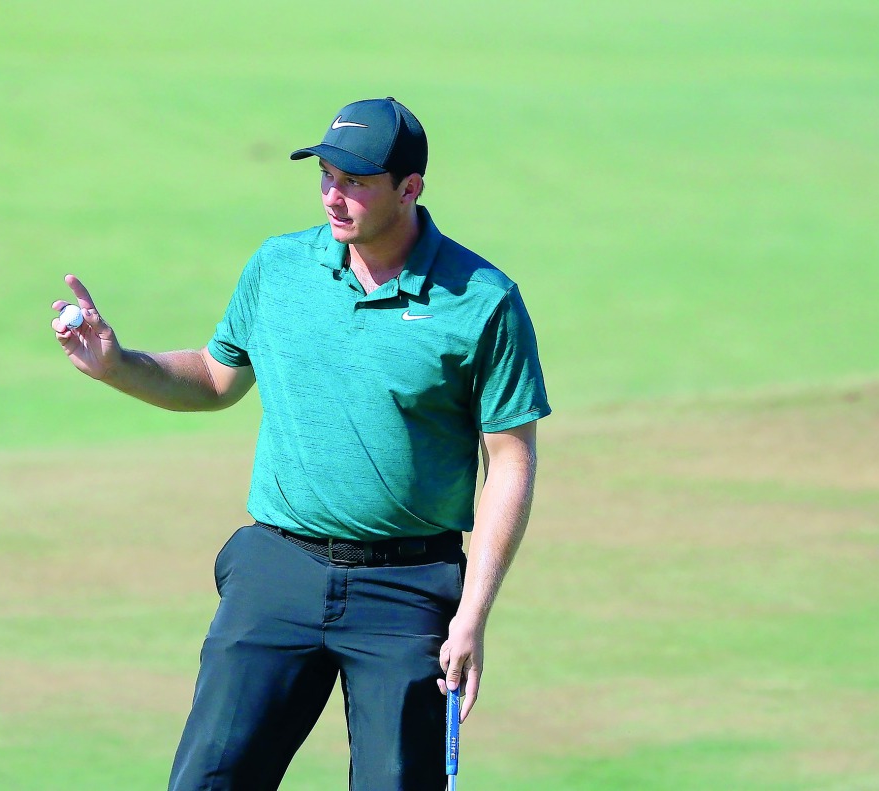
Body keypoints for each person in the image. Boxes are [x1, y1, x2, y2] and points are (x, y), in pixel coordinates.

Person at [51, 97, 550, 791]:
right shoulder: (279, 267)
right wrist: (117, 364)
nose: (333, 196)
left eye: (355, 181)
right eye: (325, 175)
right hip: (276, 572)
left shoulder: (483, 299)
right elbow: (216, 377)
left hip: (408, 590)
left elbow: (511, 460)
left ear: (410, 189)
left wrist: (474, 613)